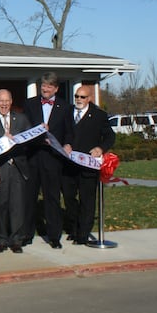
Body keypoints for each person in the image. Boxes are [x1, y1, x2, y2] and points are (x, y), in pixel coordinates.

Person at [23, 72, 73, 249]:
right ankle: (26, 234)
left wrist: (67, 144)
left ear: (56, 89)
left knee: (52, 198)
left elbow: (69, 131)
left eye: (49, 86)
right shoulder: (29, 104)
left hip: (53, 158)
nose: (45, 88)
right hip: (33, 156)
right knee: (29, 197)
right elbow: (25, 128)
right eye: (43, 85)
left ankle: (54, 236)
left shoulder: (66, 107)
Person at [62, 85, 116, 245]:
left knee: (87, 200)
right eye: (77, 96)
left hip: (88, 166)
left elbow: (110, 136)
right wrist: (65, 143)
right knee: (69, 198)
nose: (79, 99)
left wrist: (100, 148)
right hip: (70, 164)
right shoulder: (67, 112)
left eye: (82, 97)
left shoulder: (99, 115)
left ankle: (83, 233)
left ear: (90, 98)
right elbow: (63, 133)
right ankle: (74, 228)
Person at [0, 89, 31, 253]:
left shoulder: (21, 119)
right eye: (1, 101)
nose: (4, 104)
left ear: (11, 102)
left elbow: (29, 140)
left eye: (7, 101)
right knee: (0, 205)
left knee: (17, 205)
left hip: (17, 167)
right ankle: (0, 239)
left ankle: (16, 240)